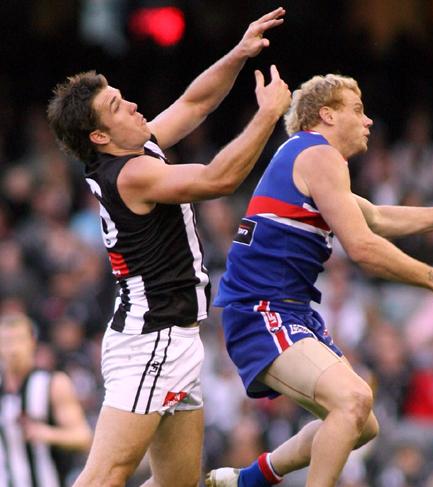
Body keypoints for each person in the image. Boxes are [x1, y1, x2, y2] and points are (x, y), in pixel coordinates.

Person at [207, 73, 433, 487]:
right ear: (326, 115)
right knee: (353, 400)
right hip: (262, 309)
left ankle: (249, 480)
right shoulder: (317, 154)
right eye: (358, 110)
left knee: (362, 424)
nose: (368, 122)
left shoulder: (313, 162)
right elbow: (362, 247)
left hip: (287, 310)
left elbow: (378, 217)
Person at [46, 7, 292, 487]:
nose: (132, 105)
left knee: (178, 482)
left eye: (121, 96)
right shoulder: (132, 174)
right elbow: (218, 179)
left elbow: (196, 102)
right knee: (105, 476)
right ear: (99, 136)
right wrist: (266, 116)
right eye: (117, 107)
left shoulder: (135, 147)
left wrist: (239, 53)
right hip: (150, 340)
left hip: (173, 337)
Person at [0, 312, 92, 487]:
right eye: (6, 342)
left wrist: (47, 433)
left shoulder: (53, 383)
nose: (13, 349)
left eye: (19, 340)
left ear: (32, 343)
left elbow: (83, 437)